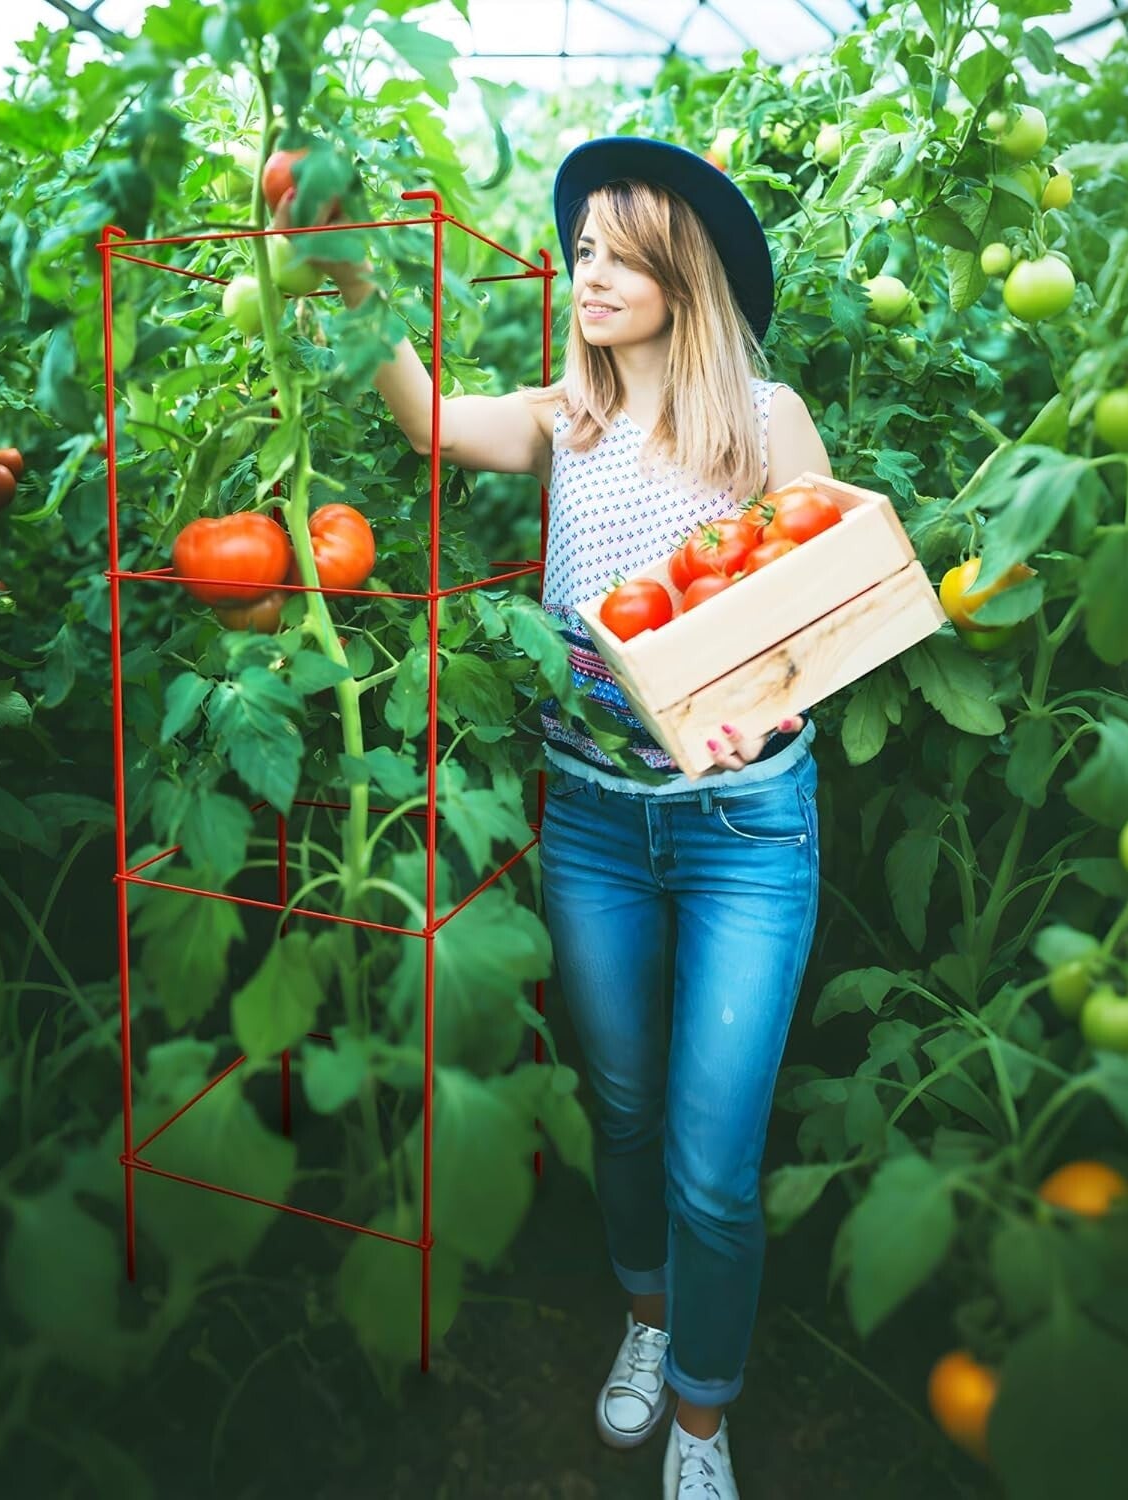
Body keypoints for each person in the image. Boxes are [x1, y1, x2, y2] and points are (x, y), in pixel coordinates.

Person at [275, 134, 830, 1500]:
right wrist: (350, 273)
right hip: (593, 820)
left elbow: (825, 600)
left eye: (615, 251)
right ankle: (648, 1318)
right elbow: (422, 418)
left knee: (714, 1155)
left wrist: (756, 688)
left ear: (678, 270)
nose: (585, 270)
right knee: (625, 1108)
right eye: (580, 249)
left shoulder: (766, 421)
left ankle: (703, 1417)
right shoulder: (561, 421)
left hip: (744, 828)